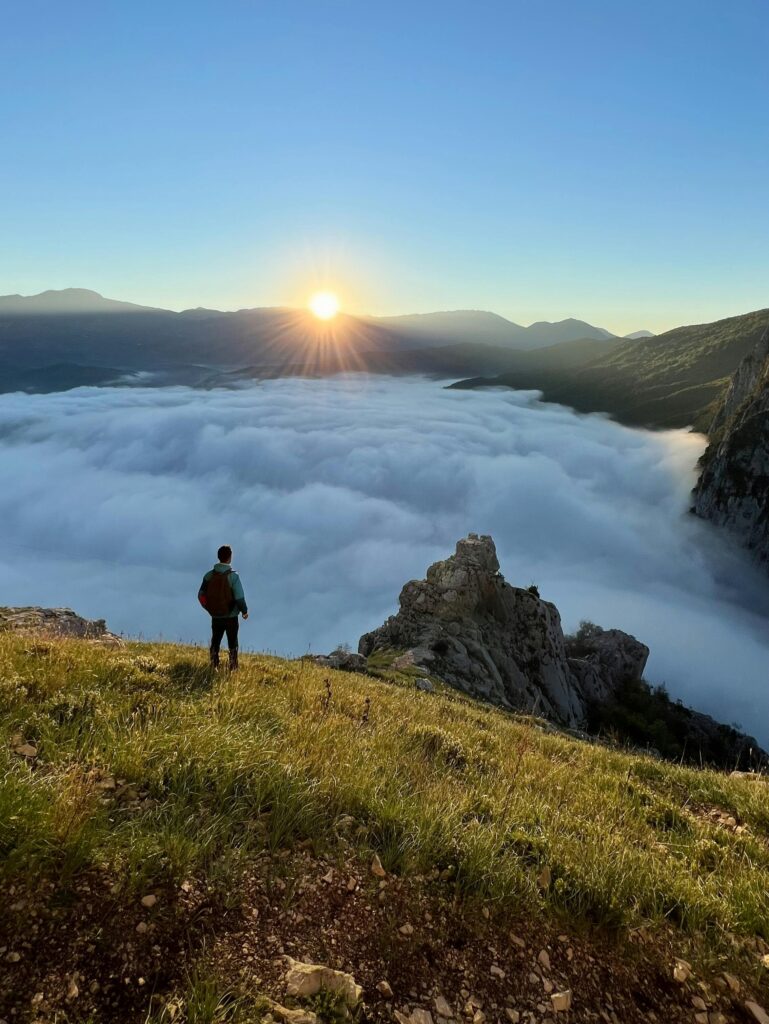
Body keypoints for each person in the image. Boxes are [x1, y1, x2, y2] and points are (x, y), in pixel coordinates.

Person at [198, 545, 248, 670]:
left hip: (216, 615)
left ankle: (214, 665)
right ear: (230, 557)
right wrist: (244, 611)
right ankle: (233, 667)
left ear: (218, 557)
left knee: (215, 641)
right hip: (231, 615)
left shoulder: (209, 575)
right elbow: (239, 597)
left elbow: (201, 595)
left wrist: (209, 608)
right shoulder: (233, 576)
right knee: (232, 643)